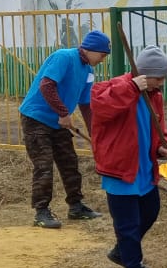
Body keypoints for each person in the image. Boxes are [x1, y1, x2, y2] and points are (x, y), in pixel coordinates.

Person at [90, 45, 167, 268]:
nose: (162, 83)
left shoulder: (154, 95)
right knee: (128, 223)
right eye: (158, 78)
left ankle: (122, 251)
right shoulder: (112, 88)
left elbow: (159, 126)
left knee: (150, 211)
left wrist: (163, 146)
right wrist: (132, 87)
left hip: (144, 168)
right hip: (119, 169)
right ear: (144, 74)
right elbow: (101, 107)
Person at [19, 29, 110, 228]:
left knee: (69, 163)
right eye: (103, 55)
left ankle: (76, 207)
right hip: (36, 118)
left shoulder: (88, 72)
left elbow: (86, 105)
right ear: (91, 49)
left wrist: (95, 135)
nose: (103, 59)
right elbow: (46, 86)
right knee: (44, 166)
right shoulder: (63, 57)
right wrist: (63, 112)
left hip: (58, 122)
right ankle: (41, 212)